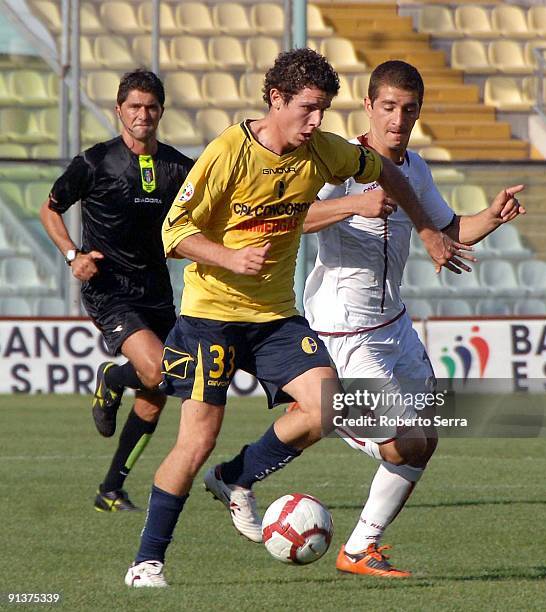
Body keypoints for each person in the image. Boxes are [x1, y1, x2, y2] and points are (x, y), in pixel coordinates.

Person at [124, 48, 471, 588]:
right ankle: (147, 562)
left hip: (274, 316)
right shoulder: (227, 155)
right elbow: (173, 233)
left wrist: (428, 231)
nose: (315, 122)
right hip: (211, 316)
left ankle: (235, 478)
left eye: (324, 112)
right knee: (196, 441)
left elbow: (383, 169)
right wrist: (229, 257)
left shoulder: (323, 153)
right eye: (307, 109)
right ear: (276, 99)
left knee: (327, 406)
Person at [300, 60, 524, 577]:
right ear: (369, 107)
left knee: (428, 432)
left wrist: (492, 215)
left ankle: (359, 548)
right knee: (401, 440)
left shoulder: (415, 168)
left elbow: (449, 230)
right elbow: (295, 216)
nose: (398, 120)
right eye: (389, 108)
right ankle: (320, 415)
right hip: (343, 328)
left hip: (393, 325)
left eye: (409, 109)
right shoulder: (340, 165)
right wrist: (354, 202)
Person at [40, 69, 194, 512]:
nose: (142, 114)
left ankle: (111, 489)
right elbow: (50, 210)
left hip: (157, 290)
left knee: (156, 391)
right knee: (158, 372)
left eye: (150, 107)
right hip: (110, 289)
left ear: (161, 111)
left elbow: (189, 227)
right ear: (118, 111)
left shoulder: (179, 168)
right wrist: (74, 256)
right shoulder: (95, 161)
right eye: (134, 106)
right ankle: (112, 376)